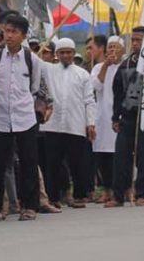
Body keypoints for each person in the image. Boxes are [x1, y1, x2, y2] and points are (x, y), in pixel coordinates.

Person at [0, 14, 43, 222]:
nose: (9, 36)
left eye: (14, 32)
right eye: (6, 31)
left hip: (25, 117)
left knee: (28, 163)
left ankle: (30, 206)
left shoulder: (31, 59)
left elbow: (33, 88)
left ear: (23, 36)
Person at [40, 38, 96, 209]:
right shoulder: (48, 70)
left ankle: (79, 196)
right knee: (53, 163)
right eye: (62, 52)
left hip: (75, 124)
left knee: (77, 162)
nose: (65, 55)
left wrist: (90, 123)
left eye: (69, 52)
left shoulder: (83, 74)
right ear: (56, 54)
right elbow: (34, 59)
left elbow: (89, 101)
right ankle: (54, 197)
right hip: (53, 125)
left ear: (73, 54)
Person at [107, 36, 144, 207]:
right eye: (133, 40)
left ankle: (142, 193)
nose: (135, 43)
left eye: (139, 40)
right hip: (127, 117)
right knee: (121, 157)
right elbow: (117, 93)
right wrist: (115, 117)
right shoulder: (125, 65)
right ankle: (118, 195)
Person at [91, 36, 124, 204]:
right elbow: (95, 87)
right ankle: (106, 190)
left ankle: (123, 189)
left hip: (121, 117)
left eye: (116, 47)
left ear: (123, 50)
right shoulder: (98, 67)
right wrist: (105, 65)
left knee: (120, 156)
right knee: (103, 157)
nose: (112, 50)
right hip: (102, 118)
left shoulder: (126, 67)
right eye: (110, 47)